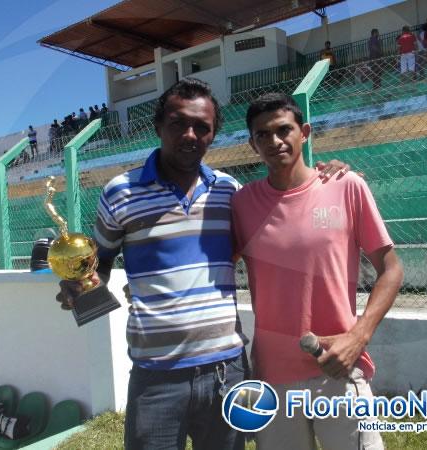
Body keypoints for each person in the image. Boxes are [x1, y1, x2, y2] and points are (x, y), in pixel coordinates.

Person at [55, 79, 352, 450]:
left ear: (213, 135)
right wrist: (79, 285)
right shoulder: (121, 192)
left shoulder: (230, 192)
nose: (190, 134)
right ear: (159, 126)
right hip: (155, 375)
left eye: (203, 127)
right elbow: (99, 262)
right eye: (178, 123)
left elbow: (287, 213)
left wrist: (331, 178)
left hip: (226, 371)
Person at [232, 93, 403, 450]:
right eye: (262, 135)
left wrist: (358, 337)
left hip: (338, 369)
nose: (274, 141)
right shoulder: (241, 203)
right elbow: (211, 271)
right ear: (252, 144)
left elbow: (391, 268)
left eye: (284, 130)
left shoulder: (346, 186)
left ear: (304, 132)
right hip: (272, 378)